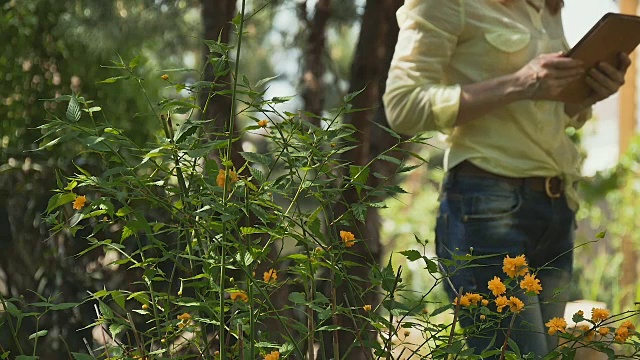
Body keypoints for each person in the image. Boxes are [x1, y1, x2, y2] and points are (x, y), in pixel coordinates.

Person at [383, 0, 631, 358]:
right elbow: (402, 106)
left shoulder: (548, 7)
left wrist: (589, 93)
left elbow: (545, 112)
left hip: (556, 207)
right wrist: (519, 83)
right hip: (486, 209)